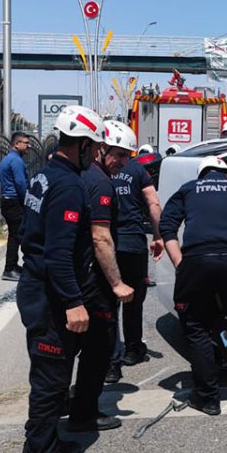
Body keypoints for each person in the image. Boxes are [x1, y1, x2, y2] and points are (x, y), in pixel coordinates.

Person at [14, 106, 105, 453]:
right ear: (82, 145)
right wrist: (73, 302)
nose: (98, 155)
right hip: (51, 296)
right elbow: (59, 254)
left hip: (37, 288)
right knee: (51, 382)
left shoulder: (47, 175)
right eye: (95, 148)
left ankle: (41, 442)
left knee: (47, 376)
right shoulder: (68, 186)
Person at [159, 155, 227, 414]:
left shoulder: (188, 189)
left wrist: (180, 264)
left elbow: (167, 227)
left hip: (196, 262)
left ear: (202, 174)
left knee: (196, 327)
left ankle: (208, 398)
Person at [80, 121, 137, 395]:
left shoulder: (83, 174)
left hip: (78, 273)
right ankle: (85, 411)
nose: (124, 163)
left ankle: (79, 405)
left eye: (127, 156)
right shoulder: (101, 184)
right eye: (120, 155)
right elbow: (100, 237)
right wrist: (116, 283)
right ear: (102, 149)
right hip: (92, 278)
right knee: (99, 343)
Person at [107, 133, 164, 382]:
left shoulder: (97, 171)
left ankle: (111, 362)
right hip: (133, 244)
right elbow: (153, 203)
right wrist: (159, 236)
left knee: (108, 304)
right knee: (134, 300)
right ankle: (132, 349)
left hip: (107, 246)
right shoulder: (138, 171)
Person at [0, 132, 31, 281]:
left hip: (9, 201)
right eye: (25, 143)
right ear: (16, 144)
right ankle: (9, 269)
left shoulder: (10, 158)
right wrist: (27, 202)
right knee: (16, 236)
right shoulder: (16, 161)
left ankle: (13, 265)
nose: (28, 146)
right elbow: (20, 183)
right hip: (14, 202)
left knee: (15, 235)